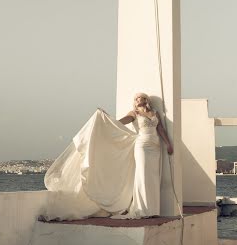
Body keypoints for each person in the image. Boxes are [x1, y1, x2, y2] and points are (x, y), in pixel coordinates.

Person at [42, 93, 173, 220]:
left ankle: (153, 210)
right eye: (136, 98)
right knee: (143, 176)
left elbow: (160, 129)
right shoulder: (134, 113)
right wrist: (106, 119)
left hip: (155, 146)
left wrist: (168, 144)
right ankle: (143, 210)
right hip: (142, 145)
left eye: (140, 97)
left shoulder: (154, 113)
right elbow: (120, 122)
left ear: (146, 99)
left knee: (153, 177)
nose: (138, 99)